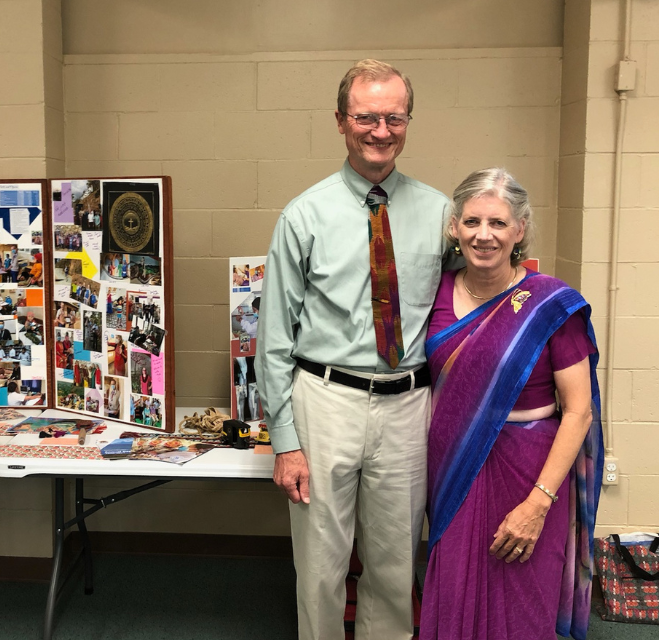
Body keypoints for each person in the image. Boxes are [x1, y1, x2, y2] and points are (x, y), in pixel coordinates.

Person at [255, 59, 451, 640]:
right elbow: (273, 342)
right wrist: (286, 443)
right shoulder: (303, 215)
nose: (381, 131)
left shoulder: (441, 215)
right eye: (367, 117)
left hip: (407, 408)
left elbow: (468, 308)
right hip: (325, 402)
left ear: (408, 121)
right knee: (320, 567)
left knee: (394, 567)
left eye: (394, 117)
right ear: (341, 121)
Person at [420, 169, 602, 640]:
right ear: (454, 227)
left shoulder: (549, 304)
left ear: (519, 230)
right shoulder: (432, 294)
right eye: (473, 221)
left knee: (523, 596)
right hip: (454, 464)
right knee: (455, 590)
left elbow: (578, 410)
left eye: (498, 223)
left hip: (529, 472)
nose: (484, 235)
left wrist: (538, 504)